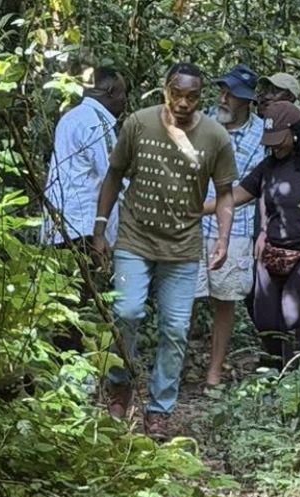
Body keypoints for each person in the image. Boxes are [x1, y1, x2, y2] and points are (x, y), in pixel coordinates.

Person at [93, 62, 238, 437]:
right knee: (126, 311)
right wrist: (100, 226)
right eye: (177, 94)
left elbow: (225, 193)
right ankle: (119, 386)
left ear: (201, 97)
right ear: (165, 90)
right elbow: (114, 174)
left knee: (175, 328)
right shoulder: (138, 123)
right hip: (135, 239)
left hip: (183, 246)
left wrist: (223, 239)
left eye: (192, 96)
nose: (184, 103)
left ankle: (159, 411)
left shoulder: (216, 136)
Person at [207, 102, 300, 367]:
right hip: (272, 251)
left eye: (279, 140)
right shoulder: (268, 166)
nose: (275, 147)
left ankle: (294, 377)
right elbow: (237, 196)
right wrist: (196, 208)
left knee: (293, 316)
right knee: (265, 320)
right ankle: (277, 368)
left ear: (295, 133)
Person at [197, 64, 265, 387]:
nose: (223, 98)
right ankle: (173, 365)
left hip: (236, 228)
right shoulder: (203, 122)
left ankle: (214, 371)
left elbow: (252, 188)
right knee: (183, 295)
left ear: (247, 100)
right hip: (193, 226)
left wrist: (203, 208)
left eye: (232, 95)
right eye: (222, 91)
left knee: (225, 300)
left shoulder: (262, 134)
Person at [41, 67, 128, 249]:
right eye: (123, 93)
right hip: (84, 228)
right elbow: (112, 176)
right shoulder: (97, 123)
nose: (124, 100)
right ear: (110, 92)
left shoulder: (70, 118)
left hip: (58, 225)